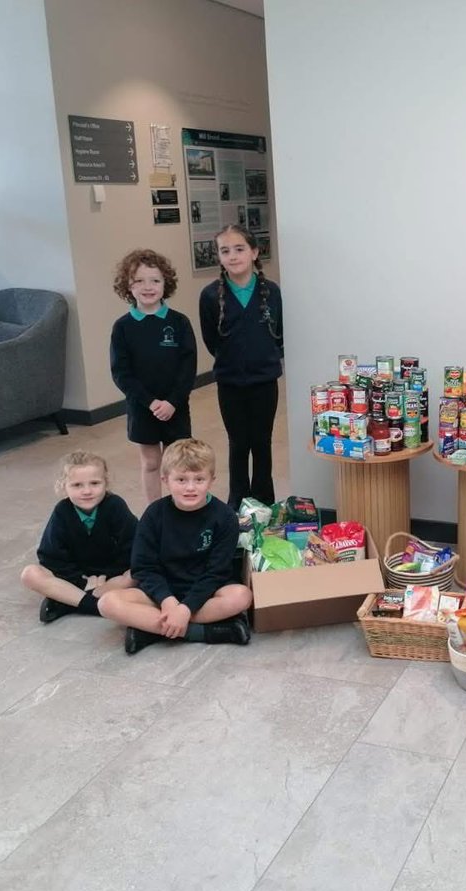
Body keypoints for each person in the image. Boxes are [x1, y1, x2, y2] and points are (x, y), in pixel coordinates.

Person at [98, 438, 252, 654]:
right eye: (181, 479)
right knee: (107, 603)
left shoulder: (225, 517)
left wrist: (186, 608)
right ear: (165, 480)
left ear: (212, 480)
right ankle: (203, 632)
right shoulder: (153, 514)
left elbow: (217, 572)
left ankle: (151, 631)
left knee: (242, 596)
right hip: (162, 592)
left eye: (199, 479)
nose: (190, 487)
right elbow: (143, 567)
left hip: (206, 592)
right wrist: (168, 601)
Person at [199, 224, 284, 507]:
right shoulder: (210, 296)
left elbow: (279, 333)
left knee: (262, 442)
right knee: (238, 443)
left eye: (239, 249)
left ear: (254, 252)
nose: (233, 256)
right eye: (225, 251)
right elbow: (211, 339)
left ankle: (264, 500)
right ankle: (237, 502)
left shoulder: (271, 292)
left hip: (264, 381)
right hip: (230, 382)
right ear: (219, 257)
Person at [109, 248, 197, 504]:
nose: (148, 287)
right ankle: (154, 511)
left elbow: (188, 368)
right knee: (151, 463)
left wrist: (172, 402)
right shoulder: (122, 327)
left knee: (176, 464)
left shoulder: (179, 322)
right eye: (139, 280)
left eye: (155, 280)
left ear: (165, 283)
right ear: (128, 285)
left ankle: (178, 509)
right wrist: (150, 402)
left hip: (175, 406)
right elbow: (121, 373)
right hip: (142, 407)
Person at [20, 451, 137, 624]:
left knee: (138, 574)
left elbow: (135, 545)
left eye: (95, 483)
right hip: (76, 579)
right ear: (63, 486)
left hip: (113, 578)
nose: (87, 491)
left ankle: (67, 601)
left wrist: (109, 576)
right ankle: (93, 605)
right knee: (30, 574)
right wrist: (80, 580)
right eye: (77, 485)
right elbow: (50, 555)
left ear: (106, 482)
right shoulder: (62, 511)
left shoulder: (115, 505)